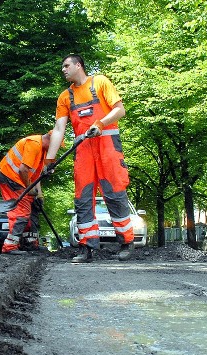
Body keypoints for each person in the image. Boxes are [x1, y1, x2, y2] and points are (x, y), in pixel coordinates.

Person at [44, 54, 134, 263]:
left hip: (107, 148)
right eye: (62, 66)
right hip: (83, 150)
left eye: (67, 65)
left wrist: (100, 124)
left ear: (79, 65)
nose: (63, 70)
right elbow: (59, 129)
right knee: (83, 199)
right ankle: (86, 248)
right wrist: (50, 159)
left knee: (115, 194)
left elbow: (120, 110)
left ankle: (126, 243)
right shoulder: (65, 97)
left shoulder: (100, 82)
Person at [0, 131, 52, 254]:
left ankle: (29, 243)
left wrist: (39, 194)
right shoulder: (34, 144)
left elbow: (35, 177)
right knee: (21, 212)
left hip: (21, 181)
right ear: (49, 140)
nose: (55, 150)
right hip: (11, 179)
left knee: (33, 208)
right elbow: (23, 170)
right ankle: (10, 247)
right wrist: (30, 189)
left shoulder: (42, 152)